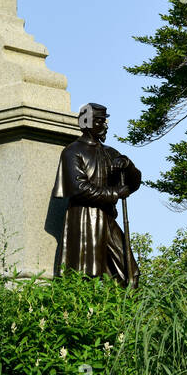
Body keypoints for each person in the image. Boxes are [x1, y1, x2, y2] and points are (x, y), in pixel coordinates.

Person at [52, 102, 141, 287]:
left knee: (130, 273)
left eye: (105, 121)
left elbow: (134, 183)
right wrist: (115, 192)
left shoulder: (110, 153)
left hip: (107, 218)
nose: (105, 126)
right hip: (84, 219)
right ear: (87, 123)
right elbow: (79, 188)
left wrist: (128, 165)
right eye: (100, 121)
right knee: (86, 277)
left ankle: (124, 314)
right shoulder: (72, 152)